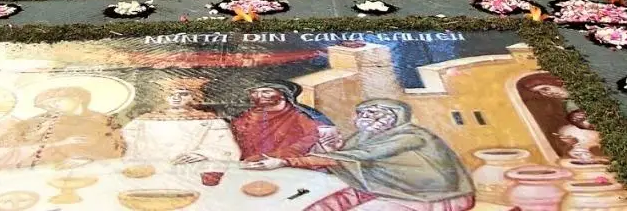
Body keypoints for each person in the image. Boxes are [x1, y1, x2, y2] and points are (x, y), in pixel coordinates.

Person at [247, 99, 475, 211]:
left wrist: (284, 162)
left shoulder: (412, 136)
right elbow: (342, 159)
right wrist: (328, 149)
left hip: (429, 196)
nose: (369, 117)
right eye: (365, 112)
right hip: (377, 187)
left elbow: (352, 158)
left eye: (377, 113)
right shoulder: (362, 136)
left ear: (396, 117)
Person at [121, 74, 240, 167]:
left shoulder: (211, 121)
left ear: (194, 97)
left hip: (193, 170)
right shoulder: (143, 120)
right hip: (154, 168)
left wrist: (203, 154)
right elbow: (126, 144)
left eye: (183, 94)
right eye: (170, 94)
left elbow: (226, 148)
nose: (176, 98)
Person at [230, 83, 326, 162]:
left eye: (266, 92)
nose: (259, 96)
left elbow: (312, 138)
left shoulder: (300, 116)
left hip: (287, 167)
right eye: (254, 92)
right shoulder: (242, 117)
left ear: (283, 94)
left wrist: (276, 156)